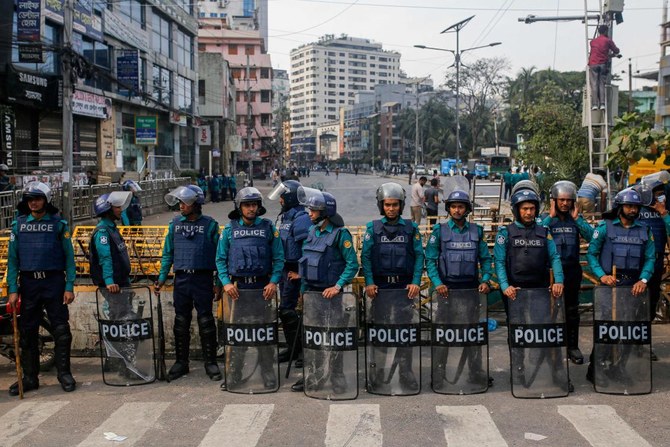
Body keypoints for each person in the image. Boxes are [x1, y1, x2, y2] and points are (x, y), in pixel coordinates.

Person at [7, 182, 76, 396]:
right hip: (29, 284)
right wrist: (12, 288)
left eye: (37, 199)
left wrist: (69, 286)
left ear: (46, 200)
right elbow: (13, 260)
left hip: (53, 282)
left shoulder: (59, 225)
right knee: (27, 334)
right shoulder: (18, 225)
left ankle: (64, 374)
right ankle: (29, 378)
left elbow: (69, 259)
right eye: (29, 200)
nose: (33, 203)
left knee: (61, 331)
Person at [494, 190, 567, 389]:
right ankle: (518, 372)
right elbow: (499, 262)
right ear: (517, 210)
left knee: (546, 332)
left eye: (532, 208)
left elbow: (555, 258)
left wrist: (558, 281)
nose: (529, 212)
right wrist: (505, 286)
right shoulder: (505, 233)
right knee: (517, 333)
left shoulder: (544, 231)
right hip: (515, 293)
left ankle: (555, 373)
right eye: (525, 209)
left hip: (540, 290)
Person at [291, 188, 359, 393]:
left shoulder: (340, 234)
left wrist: (337, 287)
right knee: (313, 339)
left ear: (325, 212)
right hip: (312, 295)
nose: (309, 214)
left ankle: (337, 377)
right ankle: (314, 376)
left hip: (332, 297)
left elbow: (352, 265)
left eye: (313, 210)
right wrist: (302, 293)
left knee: (335, 337)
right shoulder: (312, 232)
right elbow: (305, 264)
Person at [585, 187, 655, 385]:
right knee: (606, 329)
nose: (633, 210)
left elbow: (650, 258)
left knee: (628, 331)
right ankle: (596, 368)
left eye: (635, 207)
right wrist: (601, 276)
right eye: (629, 206)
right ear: (620, 207)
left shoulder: (645, 230)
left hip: (633, 289)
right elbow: (591, 254)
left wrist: (643, 280)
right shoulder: (605, 228)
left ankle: (618, 367)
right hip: (609, 287)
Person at [216, 187, 284, 390]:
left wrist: (273, 282)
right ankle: (234, 374)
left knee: (264, 334)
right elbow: (220, 260)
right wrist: (226, 283)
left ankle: (268, 373)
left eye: (254, 204)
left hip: (262, 289)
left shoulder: (268, 228)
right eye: (247, 205)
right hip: (237, 291)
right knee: (238, 336)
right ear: (239, 207)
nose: (251, 208)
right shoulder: (229, 231)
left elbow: (278, 258)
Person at [425, 190, 493, 388]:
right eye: (453, 206)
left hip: (471, 292)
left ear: (467, 209)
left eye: (461, 206)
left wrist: (486, 280)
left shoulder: (477, 230)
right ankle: (438, 373)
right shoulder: (439, 231)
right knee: (443, 334)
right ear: (448, 209)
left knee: (473, 333)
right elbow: (430, 259)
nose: (457, 210)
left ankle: (475, 372)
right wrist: (438, 283)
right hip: (446, 291)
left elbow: (485, 259)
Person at [361, 182, 424, 393]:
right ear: (382, 205)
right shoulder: (372, 228)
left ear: (401, 205)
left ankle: (406, 372)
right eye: (387, 205)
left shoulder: (411, 228)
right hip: (380, 290)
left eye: (395, 205)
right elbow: (366, 257)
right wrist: (369, 282)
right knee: (381, 334)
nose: (391, 209)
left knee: (404, 333)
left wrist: (416, 281)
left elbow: (419, 256)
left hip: (404, 290)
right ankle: (378, 372)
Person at [155, 185, 222, 381]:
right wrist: (161, 278)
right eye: (180, 202)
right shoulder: (174, 225)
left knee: (206, 321)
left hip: (202, 278)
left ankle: (210, 362)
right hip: (182, 279)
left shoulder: (210, 225)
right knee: (181, 321)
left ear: (196, 204)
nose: (181, 205)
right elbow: (168, 253)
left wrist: (217, 282)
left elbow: (219, 256)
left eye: (185, 202)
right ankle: (181, 362)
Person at [542, 181, 594, 365]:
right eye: (561, 200)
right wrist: (550, 216)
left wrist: (578, 219)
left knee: (572, 311)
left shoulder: (576, 219)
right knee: (549, 311)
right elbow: (535, 234)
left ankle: (572, 346)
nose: (565, 203)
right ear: (554, 200)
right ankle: (551, 347)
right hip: (549, 273)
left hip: (572, 271)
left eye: (568, 200)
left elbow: (592, 237)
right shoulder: (545, 219)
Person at [89, 191, 137, 376]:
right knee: (122, 324)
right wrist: (110, 281)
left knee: (117, 322)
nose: (120, 210)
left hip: (122, 284)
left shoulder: (112, 229)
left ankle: (115, 360)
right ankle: (125, 366)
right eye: (117, 207)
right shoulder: (102, 231)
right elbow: (105, 258)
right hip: (114, 287)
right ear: (108, 209)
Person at [267, 180, 313, 366]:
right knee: (285, 310)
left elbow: (307, 250)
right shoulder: (286, 216)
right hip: (285, 271)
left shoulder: (301, 218)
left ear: (291, 197)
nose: (280, 200)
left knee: (290, 310)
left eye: (282, 197)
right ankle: (292, 349)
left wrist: (302, 276)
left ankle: (301, 351)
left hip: (295, 272)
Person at [638, 173, 670, 361]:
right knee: (633, 304)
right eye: (657, 194)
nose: (661, 197)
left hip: (656, 261)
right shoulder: (635, 208)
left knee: (651, 303)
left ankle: (644, 344)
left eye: (662, 194)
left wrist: (664, 213)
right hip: (636, 262)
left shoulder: (664, 212)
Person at [588, 24, 620, 110]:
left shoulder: (592, 42)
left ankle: (594, 104)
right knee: (601, 84)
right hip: (602, 64)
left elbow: (597, 52)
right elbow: (616, 50)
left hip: (593, 63)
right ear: (606, 31)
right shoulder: (608, 41)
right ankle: (602, 104)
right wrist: (614, 54)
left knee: (594, 84)